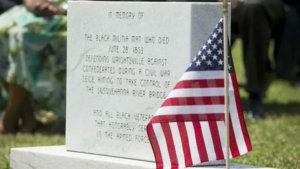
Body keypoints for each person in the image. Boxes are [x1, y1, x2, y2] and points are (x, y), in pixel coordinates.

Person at [0, 0, 67, 133]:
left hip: (68, 10)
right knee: (2, 26)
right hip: (38, 7)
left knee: (24, 35)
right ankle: (27, 117)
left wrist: (61, 9)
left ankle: (11, 114)